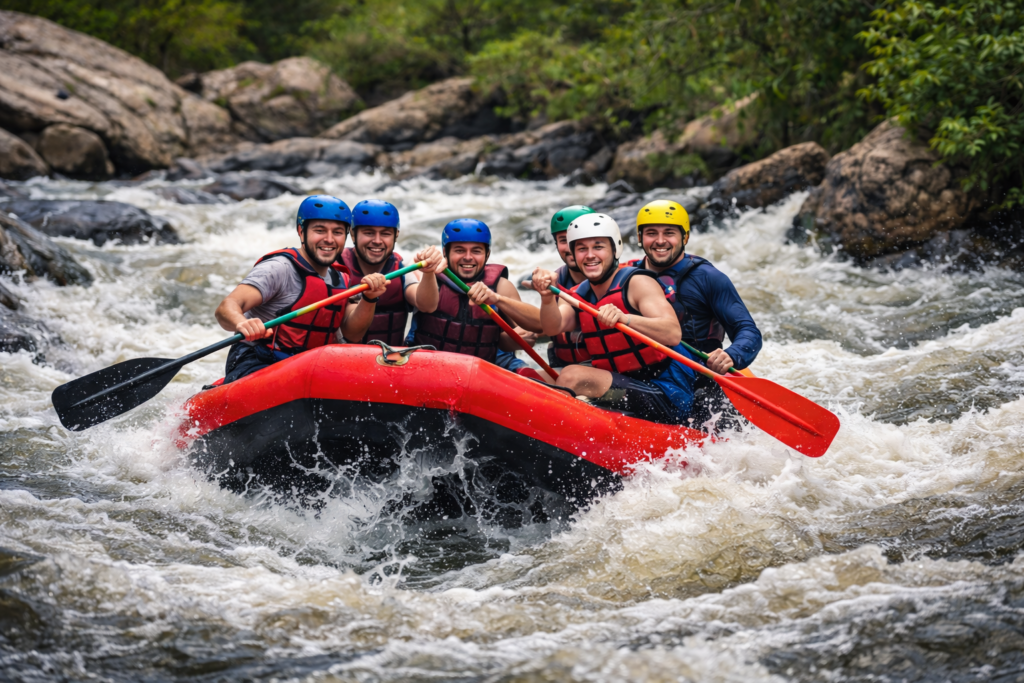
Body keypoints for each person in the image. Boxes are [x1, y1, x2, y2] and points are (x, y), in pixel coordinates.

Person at [530, 214, 699, 425]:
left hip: (664, 394)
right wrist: (546, 298)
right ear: (573, 254)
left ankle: (556, 431)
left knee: (573, 376)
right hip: (621, 387)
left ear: (615, 249)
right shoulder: (577, 294)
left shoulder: (637, 282)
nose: (590, 255)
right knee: (530, 377)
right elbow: (553, 327)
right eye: (581, 249)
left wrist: (626, 318)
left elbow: (672, 333)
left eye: (598, 247)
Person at [214, 195, 388, 383]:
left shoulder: (340, 278)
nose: (329, 239)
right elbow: (226, 307)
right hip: (259, 362)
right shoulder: (280, 268)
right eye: (319, 230)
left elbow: (353, 334)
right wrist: (242, 323)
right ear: (301, 231)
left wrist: (370, 298)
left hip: (309, 368)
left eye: (337, 232)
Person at [629, 199, 762, 425]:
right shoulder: (626, 276)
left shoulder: (709, 278)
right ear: (640, 238)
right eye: (651, 233)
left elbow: (747, 330)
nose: (660, 241)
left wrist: (732, 354)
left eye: (669, 233)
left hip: (701, 378)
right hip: (644, 375)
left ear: (685, 238)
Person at [411, 219, 541, 374]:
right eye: (459, 250)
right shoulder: (428, 276)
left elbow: (538, 326)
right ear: (445, 252)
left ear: (487, 254)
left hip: (478, 375)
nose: (468, 257)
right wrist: (428, 273)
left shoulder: (501, 286)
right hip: (426, 370)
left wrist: (498, 300)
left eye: (476, 251)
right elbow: (425, 304)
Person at [338, 199, 447, 345]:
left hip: (390, 361)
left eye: (385, 234)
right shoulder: (337, 268)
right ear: (352, 234)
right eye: (369, 233)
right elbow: (350, 334)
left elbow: (427, 306)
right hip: (345, 359)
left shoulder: (401, 269)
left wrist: (428, 273)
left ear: (396, 236)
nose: (377, 241)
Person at [545, 205, 595, 368]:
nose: (572, 247)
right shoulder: (554, 283)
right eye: (564, 240)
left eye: (578, 238)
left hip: (615, 374)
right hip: (568, 369)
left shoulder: (625, 280)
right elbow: (554, 325)